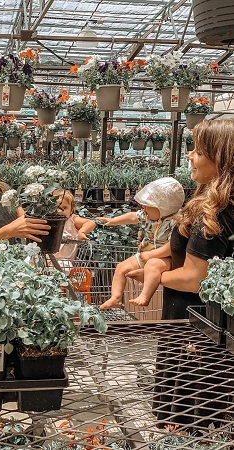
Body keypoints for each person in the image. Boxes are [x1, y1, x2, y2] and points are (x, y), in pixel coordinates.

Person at [136, 119, 234, 430]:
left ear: (221, 158)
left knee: (193, 417)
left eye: (198, 151)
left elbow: (194, 278)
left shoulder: (215, 212)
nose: (189, 156)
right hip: (208, 325)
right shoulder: (216, 203)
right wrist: (155, 257)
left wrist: (150, 276)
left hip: (194, 329)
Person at [97, 177, 185, 310]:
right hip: (146, 254)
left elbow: (172, 246)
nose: (143, 208)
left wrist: (152, 255)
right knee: (121, 267)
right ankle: (115, 297)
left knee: (152, 265)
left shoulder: (176, 222)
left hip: (166, 259)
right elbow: (133, 217)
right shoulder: (147, 215)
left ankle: (145, 296)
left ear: (164, 207)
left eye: (148, 206)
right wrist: (113, 221)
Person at [54, 189, 96, 261]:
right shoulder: (48, 221)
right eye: (56, 207)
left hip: (64, 262)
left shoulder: (72, 220)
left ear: (71, 210)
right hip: (46, 261)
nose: (60, 211)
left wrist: (82, 232)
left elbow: (90, 223)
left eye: (64, 208)